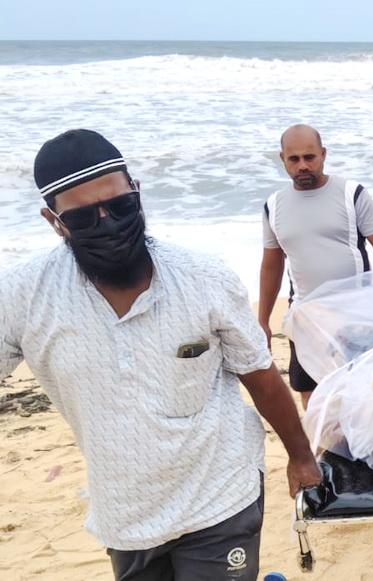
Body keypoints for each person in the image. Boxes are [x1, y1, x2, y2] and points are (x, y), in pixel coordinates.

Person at [0, 129, 324, 580]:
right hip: (125, 515)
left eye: (120, 207)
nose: (108, 223)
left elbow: (261, 375)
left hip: (220, 493)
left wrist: (301, 456)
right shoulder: (22, 295)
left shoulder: (202, 277)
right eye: (84, 219)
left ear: (137, 193)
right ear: (54, 221)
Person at [258, 124, 373, 408]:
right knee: (312, 396)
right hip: (306, 318)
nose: (303, 166)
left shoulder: (352, 194)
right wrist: (263, 320)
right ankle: (322, 452)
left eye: (310, 157)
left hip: (357, 317)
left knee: (362, 395)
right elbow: (272, 265)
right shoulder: (274, 205)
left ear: (323, 154)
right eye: (294, 159)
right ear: (282, 159)